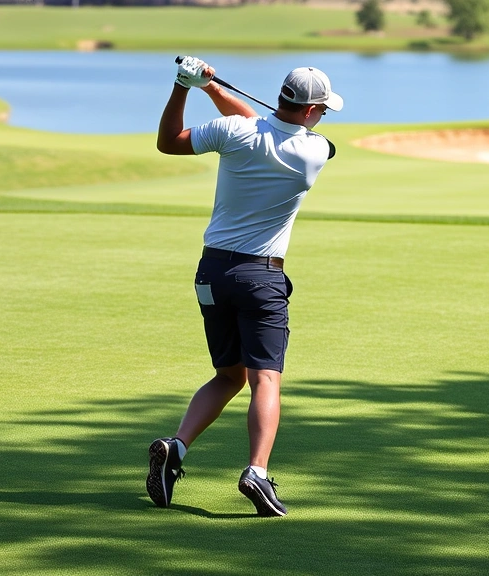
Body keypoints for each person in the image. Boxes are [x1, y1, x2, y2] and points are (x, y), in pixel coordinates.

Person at [146, 56, 342, 517]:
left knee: (227, 375)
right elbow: (263, 127)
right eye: (324, 110)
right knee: (264, 378)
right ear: (312, 112)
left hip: (212, 273)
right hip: (261, 277)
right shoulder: (315, 152)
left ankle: (176, 447)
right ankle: (256, 471)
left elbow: (169, 142)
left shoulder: (233, 134)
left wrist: (186, 87)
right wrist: (213, 90)